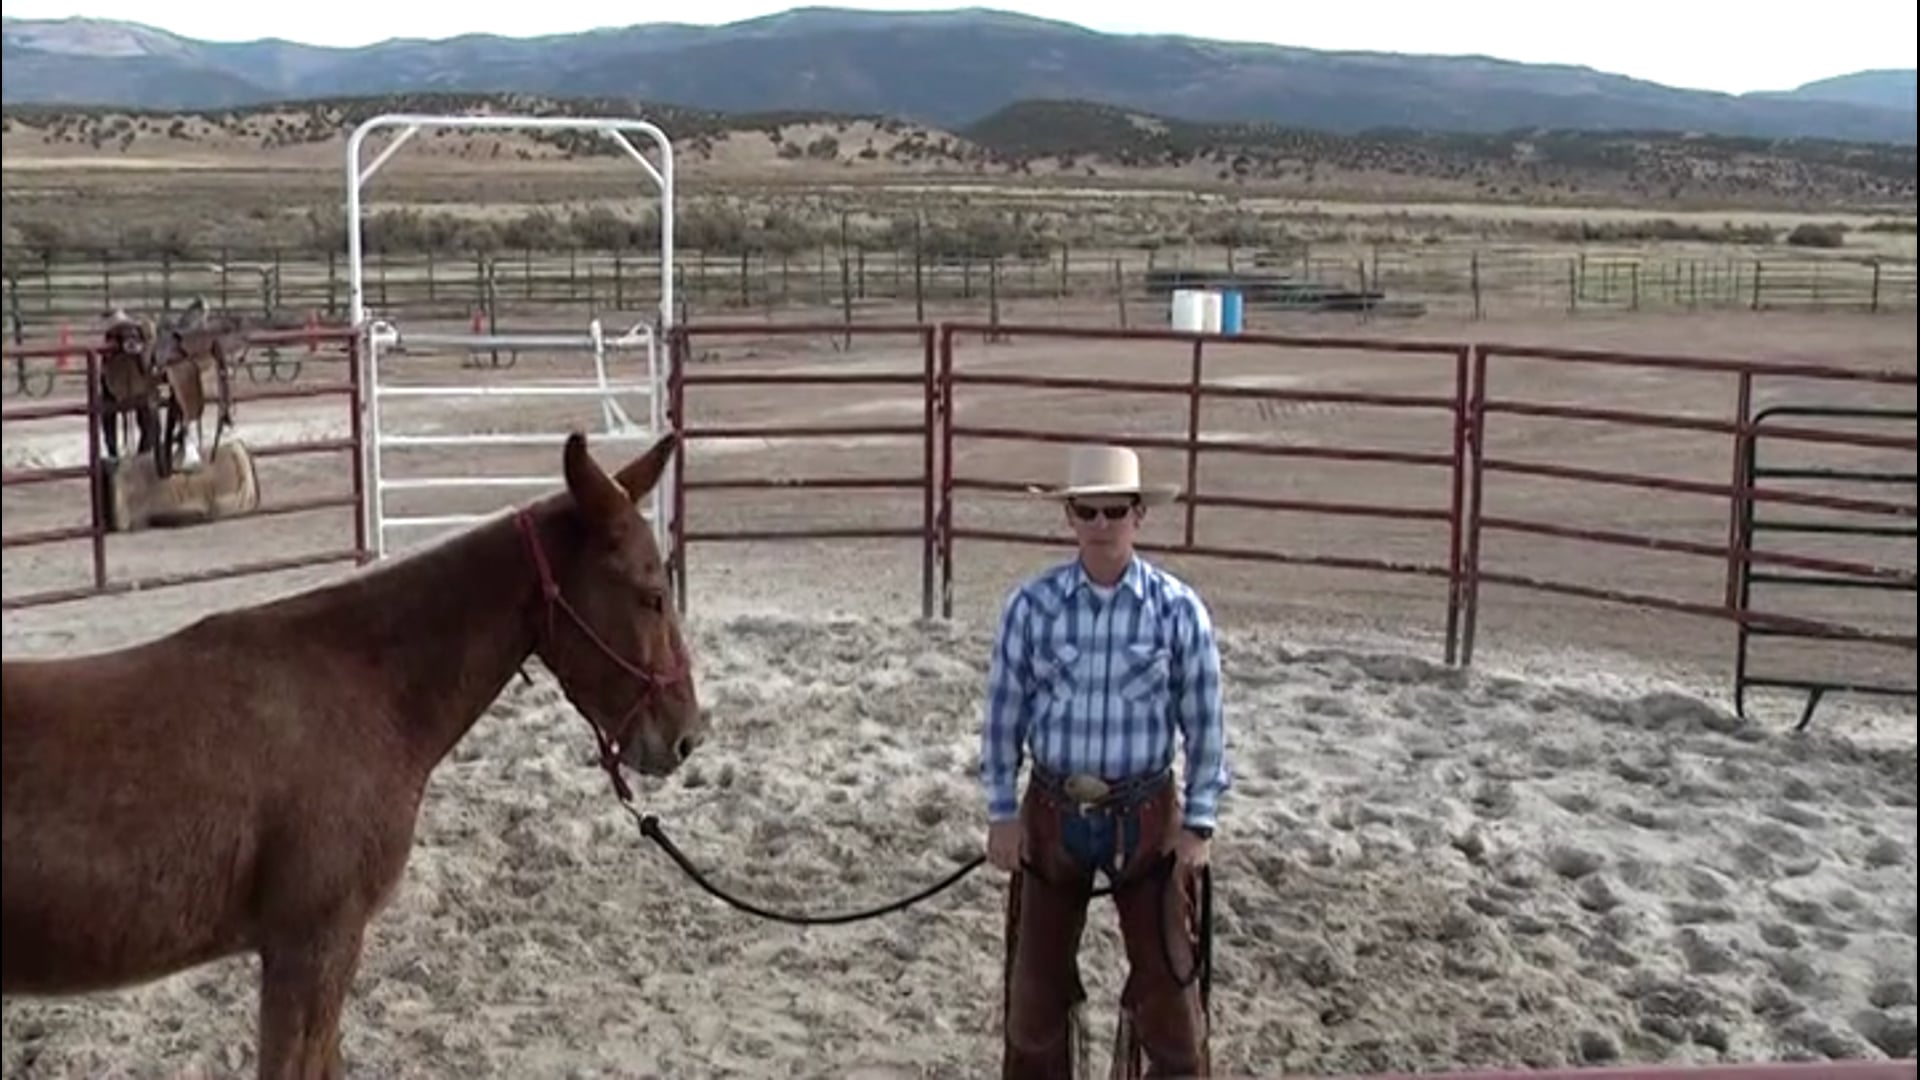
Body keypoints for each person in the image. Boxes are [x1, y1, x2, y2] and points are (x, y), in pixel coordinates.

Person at [979, 443, 1230, 1080]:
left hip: (1145, 816)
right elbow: (1004, 714)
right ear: (1069, 518)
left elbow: (1205, 720)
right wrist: (1002, 813)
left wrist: (1198, 823)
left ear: (1138, 516)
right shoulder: (1030, 609)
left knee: (1169, 993)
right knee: (1034, 997)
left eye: (1113, 512)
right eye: (1086, 513)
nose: (1099, 526)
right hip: (1052, 810)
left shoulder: (1178, 611)